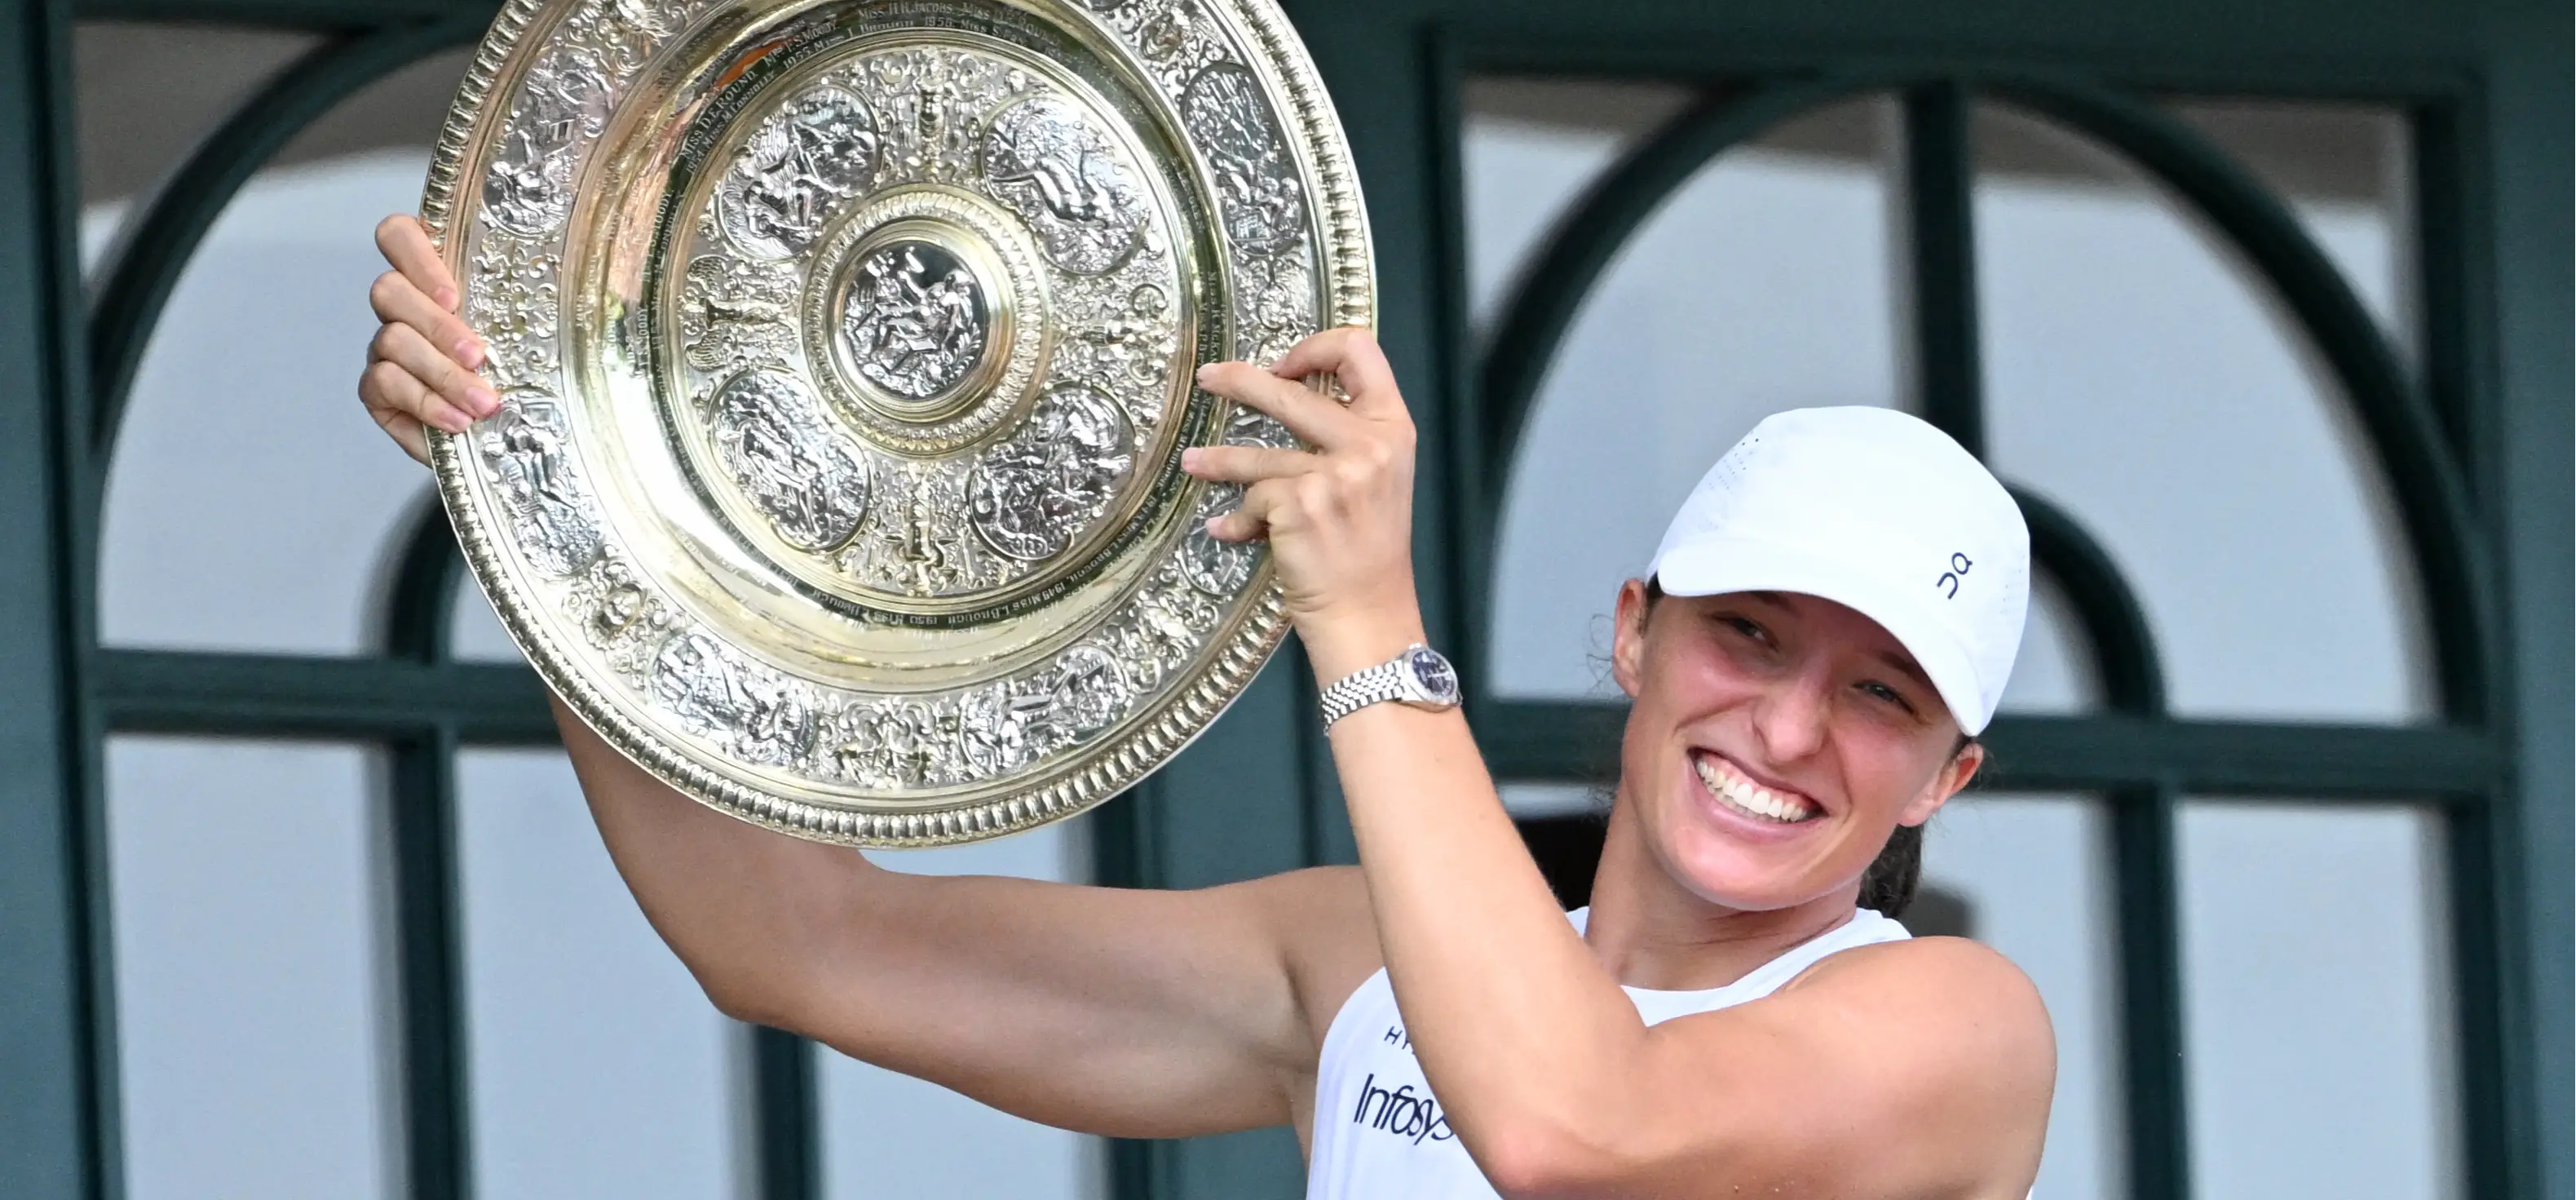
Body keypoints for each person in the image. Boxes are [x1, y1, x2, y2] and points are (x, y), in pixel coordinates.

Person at [361, 210, 2055, 1198]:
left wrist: (1366, 619)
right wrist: (544, 485)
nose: (1783, 729)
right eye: (1748, 637)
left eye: (1877, 696)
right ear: (1635, 635)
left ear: (1940, 780)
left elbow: (1570, 1127)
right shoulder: (1353, 971)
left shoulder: (1953, 1029)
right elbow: (798, 943)